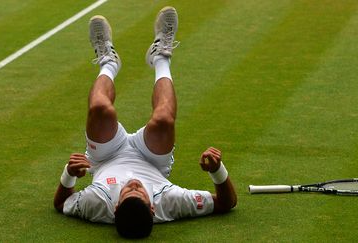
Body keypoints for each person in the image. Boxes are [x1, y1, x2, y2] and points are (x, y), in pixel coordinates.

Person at [53, 6, 237, 239]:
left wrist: (69, 174)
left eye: (127, 191)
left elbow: (61, 204)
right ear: (152, 208)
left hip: (106, 157)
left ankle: (108, 62)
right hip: (152, 160)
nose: (133, 184)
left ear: (116, 207)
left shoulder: (97, 204)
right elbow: (226, 203)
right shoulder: (170, 203)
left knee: (100, 110)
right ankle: (160, 57)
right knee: (163, 121)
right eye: (139, 191)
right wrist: (217, 171)